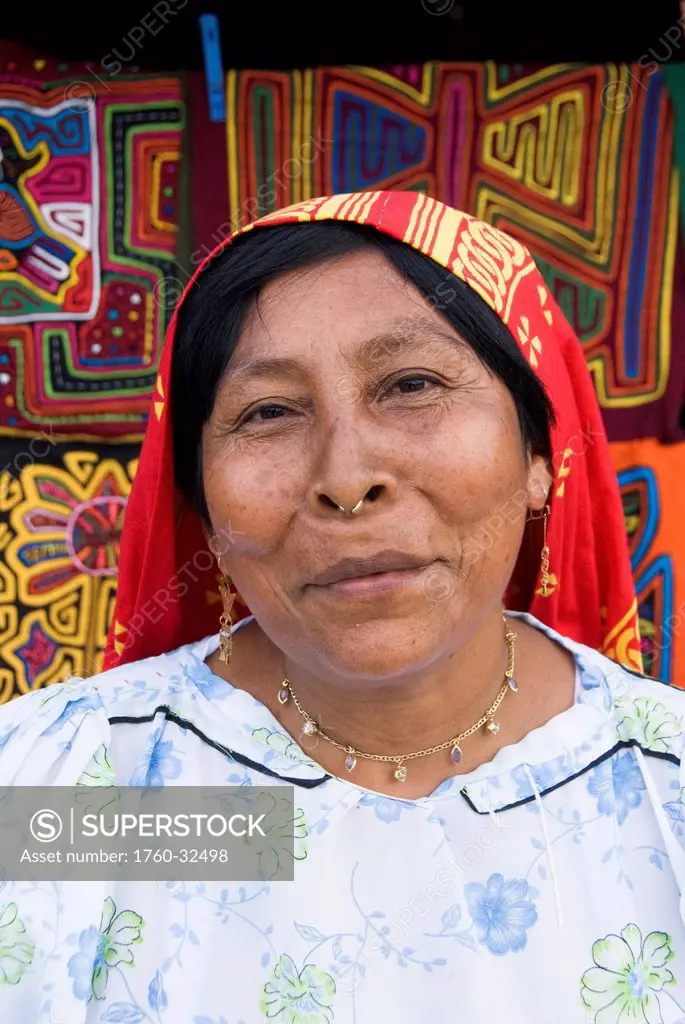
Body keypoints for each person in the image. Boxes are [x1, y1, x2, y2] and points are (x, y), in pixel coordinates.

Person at [0, 190, 684, 1023]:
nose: (344, 476)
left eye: (411, 384)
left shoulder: (661, 790)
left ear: (540, 455)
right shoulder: (70, 795)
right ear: (203, 504)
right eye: (268, 412)